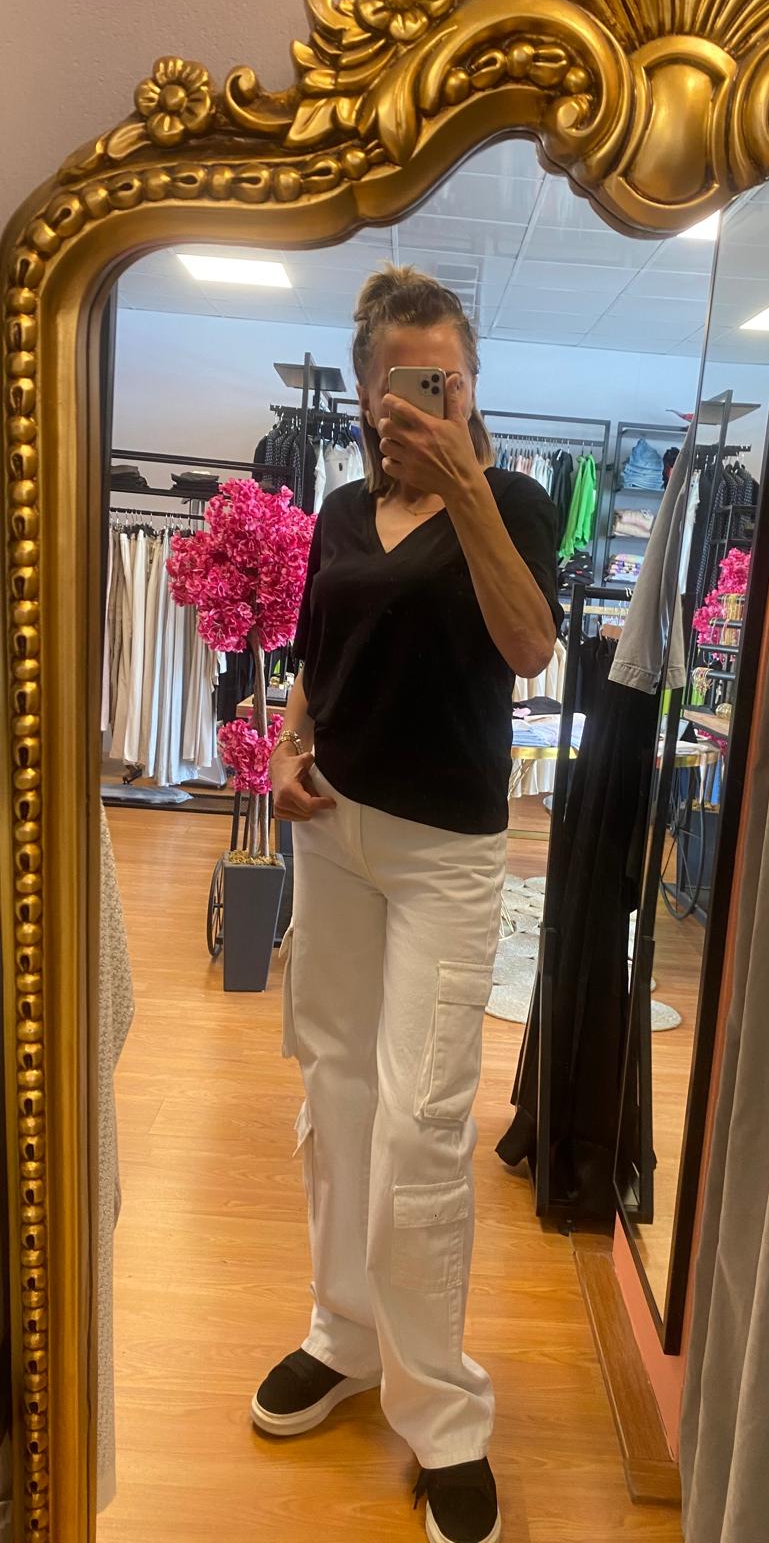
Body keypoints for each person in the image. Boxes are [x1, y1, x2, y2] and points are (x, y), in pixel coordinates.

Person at [256, 267, 560, 1543]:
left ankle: (443, 1416)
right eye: (407, 385)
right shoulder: (336, 510)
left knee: (423, 1126)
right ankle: (344, 1332)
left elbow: (528, 645)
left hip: (445, 855)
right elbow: (315, 659)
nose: (432, 403)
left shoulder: (517, 502)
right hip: (334, 834)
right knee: (334, 1092)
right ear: (366, 392)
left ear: (472, 385)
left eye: (452, 382)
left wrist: (468, 490)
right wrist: (287, 744)